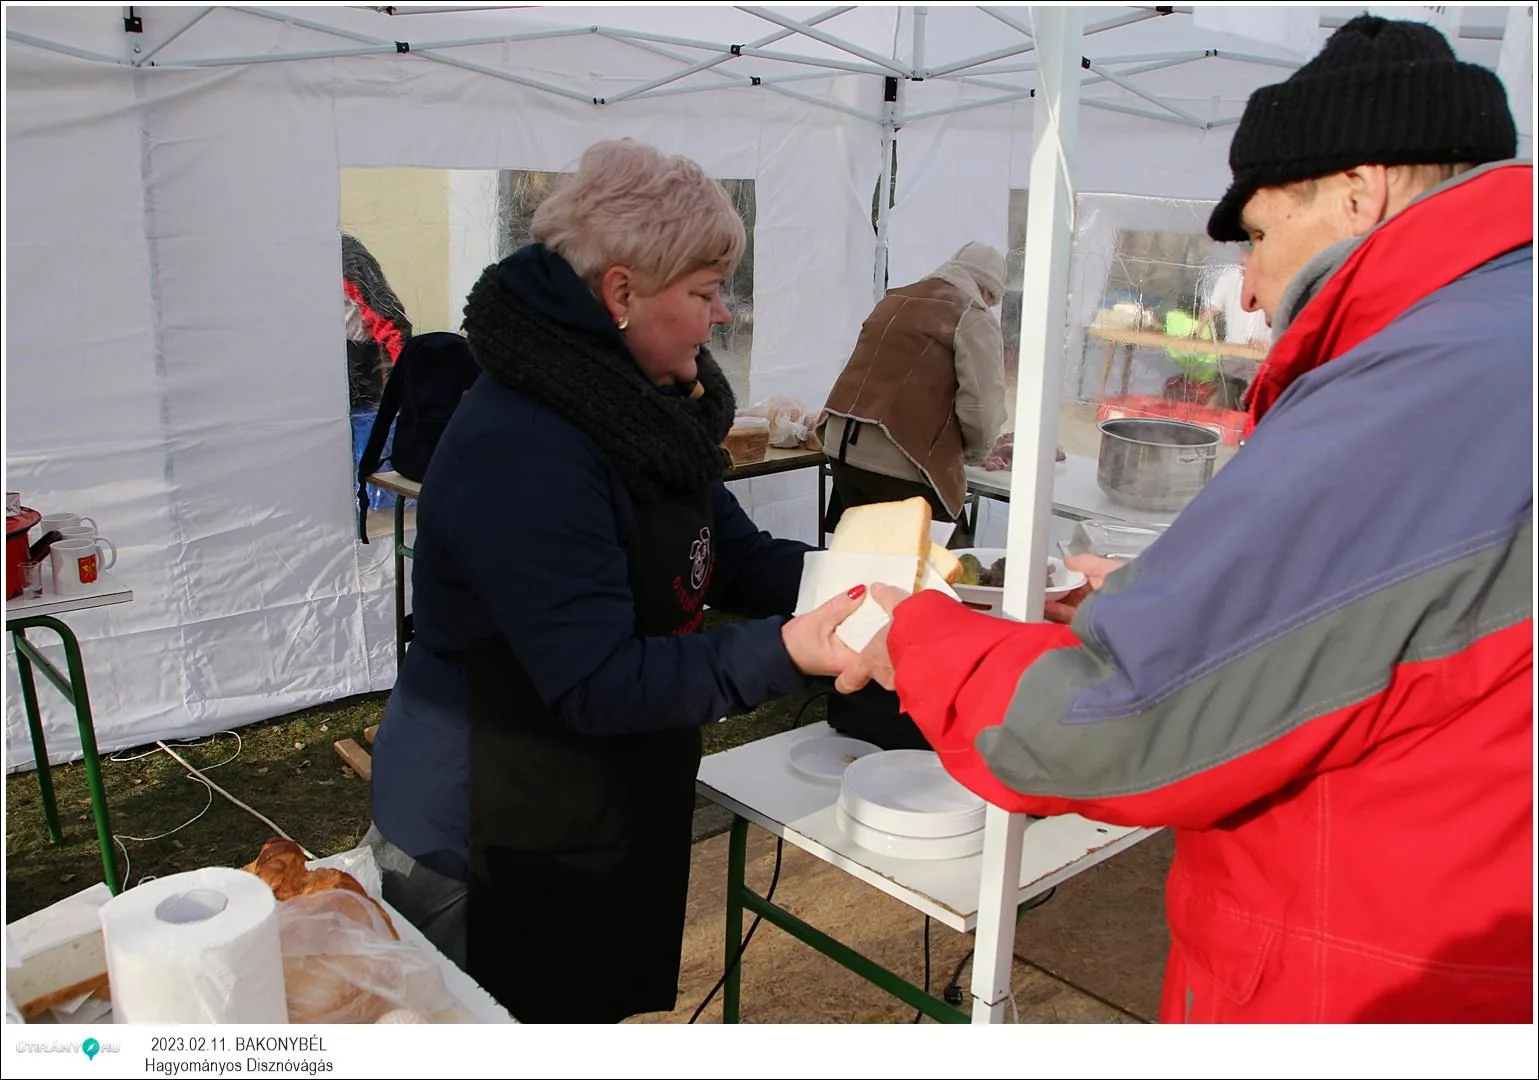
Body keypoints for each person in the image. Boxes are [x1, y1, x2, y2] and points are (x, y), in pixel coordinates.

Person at [838, 15, 1532, 1023]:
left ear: (1359, 191)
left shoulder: (1423, 385)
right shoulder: (1501, 337)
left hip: (1373, 984)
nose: (1247, 293)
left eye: (1255, 236)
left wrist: (915, 632)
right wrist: (1160, 600)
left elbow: (1114, 721)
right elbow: (1416, 636)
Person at [363, 138, 867, 1023]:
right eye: (705, 294)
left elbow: (731, 557)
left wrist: (877, 583)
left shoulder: (642, 410)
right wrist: (790, 650)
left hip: (594, 798)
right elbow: (593, 680)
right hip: (490, 834)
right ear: (622, 292)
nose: (721, 318)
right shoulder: (526, 443)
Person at [819, 242, 1010, 550]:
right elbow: (983, 411)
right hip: (899, 457)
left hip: (842, 448)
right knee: (944, 568)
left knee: (861, 564)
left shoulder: (894, 299)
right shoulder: (972, 315)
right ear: (988, 292)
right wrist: (979, 452)